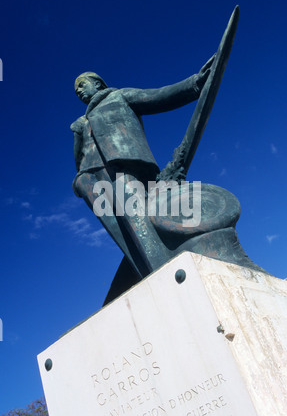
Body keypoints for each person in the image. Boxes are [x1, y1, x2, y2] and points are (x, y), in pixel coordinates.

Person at [70, 57, 214, 278]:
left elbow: (158, 96)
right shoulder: (81, 122)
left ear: (98, 83)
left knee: (137, 220)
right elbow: (78, 155)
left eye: (82, 84)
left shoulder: (118, 96)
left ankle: (164, 271)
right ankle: (146, 273)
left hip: (122, 165)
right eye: (76, 89)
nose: (79, 91)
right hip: (90, 177)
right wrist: (80, 177)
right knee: (121, 232)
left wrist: (195, 82)